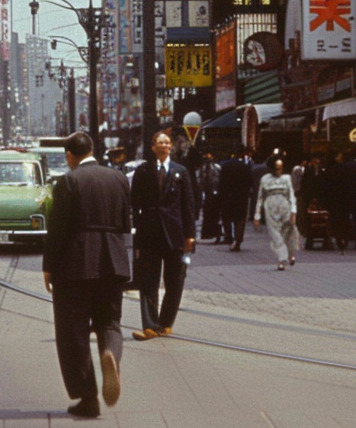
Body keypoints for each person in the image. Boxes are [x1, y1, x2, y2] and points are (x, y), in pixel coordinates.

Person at [42, 131, 131, 418]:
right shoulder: (118, 178)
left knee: (73, 332)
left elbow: (58, 229)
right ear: (92, 149)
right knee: (111, 322)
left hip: (76, 265)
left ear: (70, 155)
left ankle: (88, 397)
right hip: (113, 261)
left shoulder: (69, 181)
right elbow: (126, 223)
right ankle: (111, 357)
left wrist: (48, 265)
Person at [130, 129, 196, 341]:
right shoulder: (143, 171)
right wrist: (137, 231)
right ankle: (150, 325)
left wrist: (191, 234)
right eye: (159, 142)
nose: (164, 145)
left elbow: (188, 206)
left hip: (175, 234)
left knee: (175, 280)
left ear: (171, 147)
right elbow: (135, 204)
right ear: (152, 147)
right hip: (149, 234)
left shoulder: (181, 172)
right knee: (148, 281)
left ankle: (166, 323)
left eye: (167, 142)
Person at [254, 156, 298, 271]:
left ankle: (290, 253)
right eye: (276, 168)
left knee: (289, 231)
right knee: (275, 234)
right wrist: (257, 215)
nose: (279, 170)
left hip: (285, 205)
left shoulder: (287, 178)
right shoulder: (265, 179)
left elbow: (292, 195)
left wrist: (294, 211)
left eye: (281, 168)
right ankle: (282, 259)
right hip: (270, 207)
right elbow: (260, 197)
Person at [217, 149, 253, 251]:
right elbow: (249, 181)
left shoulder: (225, 166)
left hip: (227, 195)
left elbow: (221, 181)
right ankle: (238, 239)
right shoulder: (245, 167)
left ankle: (228, 236)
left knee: (226, 217)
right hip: (241, 196)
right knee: (240, 219)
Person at [198, 152, 222, 243]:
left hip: (212, 193)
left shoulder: (215, 168)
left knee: (212, 214)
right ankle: (209, 232)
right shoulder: (205, 168)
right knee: (209, 213)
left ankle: (212, 232)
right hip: (209, 193)